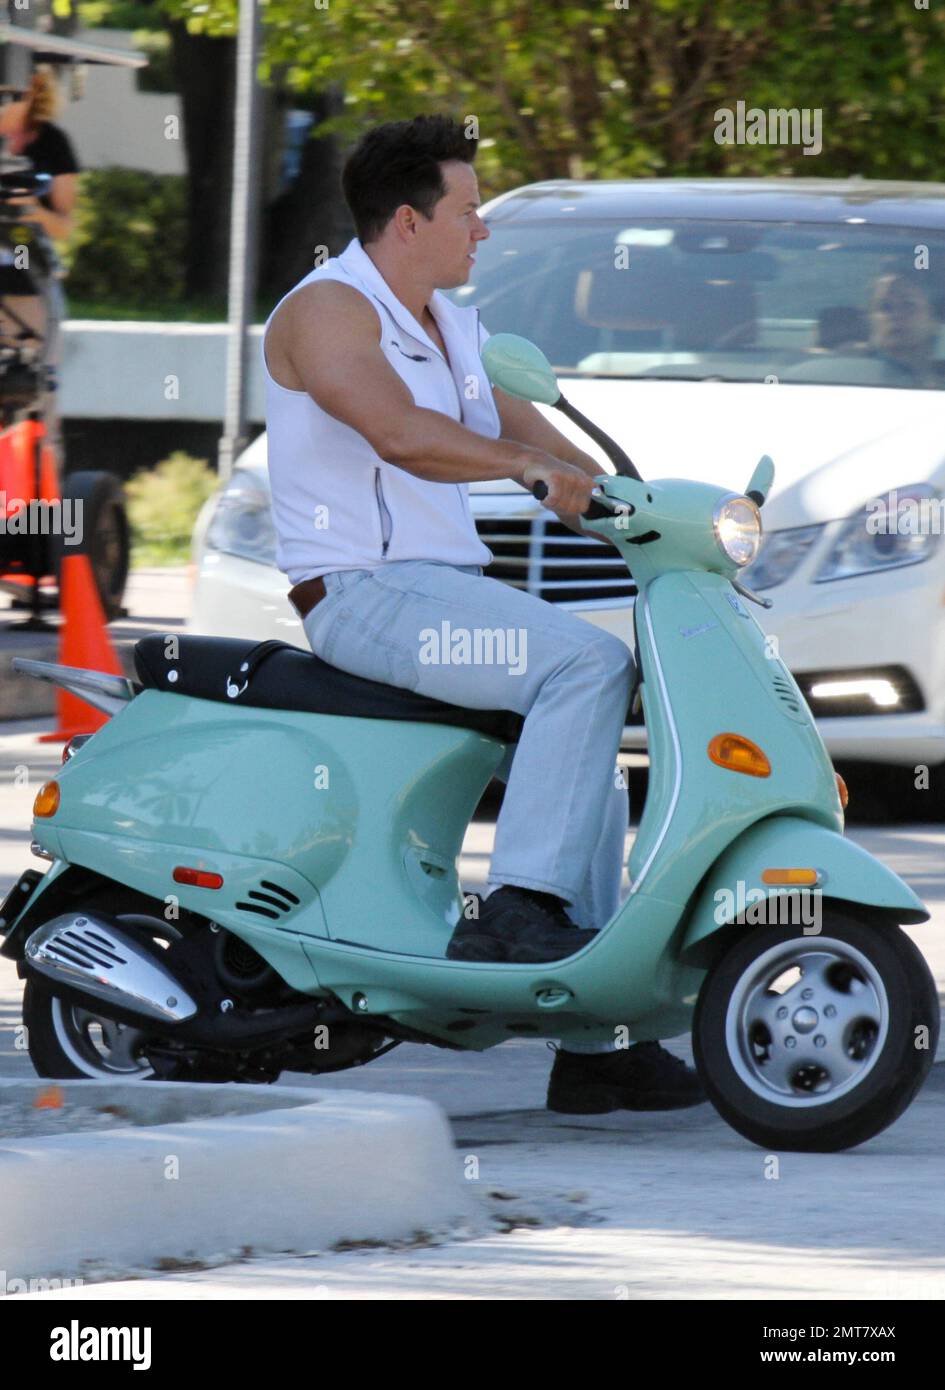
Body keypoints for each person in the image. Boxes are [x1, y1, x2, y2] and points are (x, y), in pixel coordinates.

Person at [261, 115, 703, 1113]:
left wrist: (665, 516)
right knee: (585, 666)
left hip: (442, 593)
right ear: (408, 221)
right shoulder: (329, 309)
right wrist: (526, 469)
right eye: (468, 211)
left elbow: (557, 451)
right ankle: (515, 911)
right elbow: (398, 433)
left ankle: (595, 1038)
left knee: (595, 766)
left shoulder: (454, 327)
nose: (483, 230)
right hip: (362, 591)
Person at [0, 65, 80, 456]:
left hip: (30, 280)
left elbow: (64, 226)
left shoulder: (52, 142)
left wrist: (31, 208)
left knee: (36, 393)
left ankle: (40, 481)